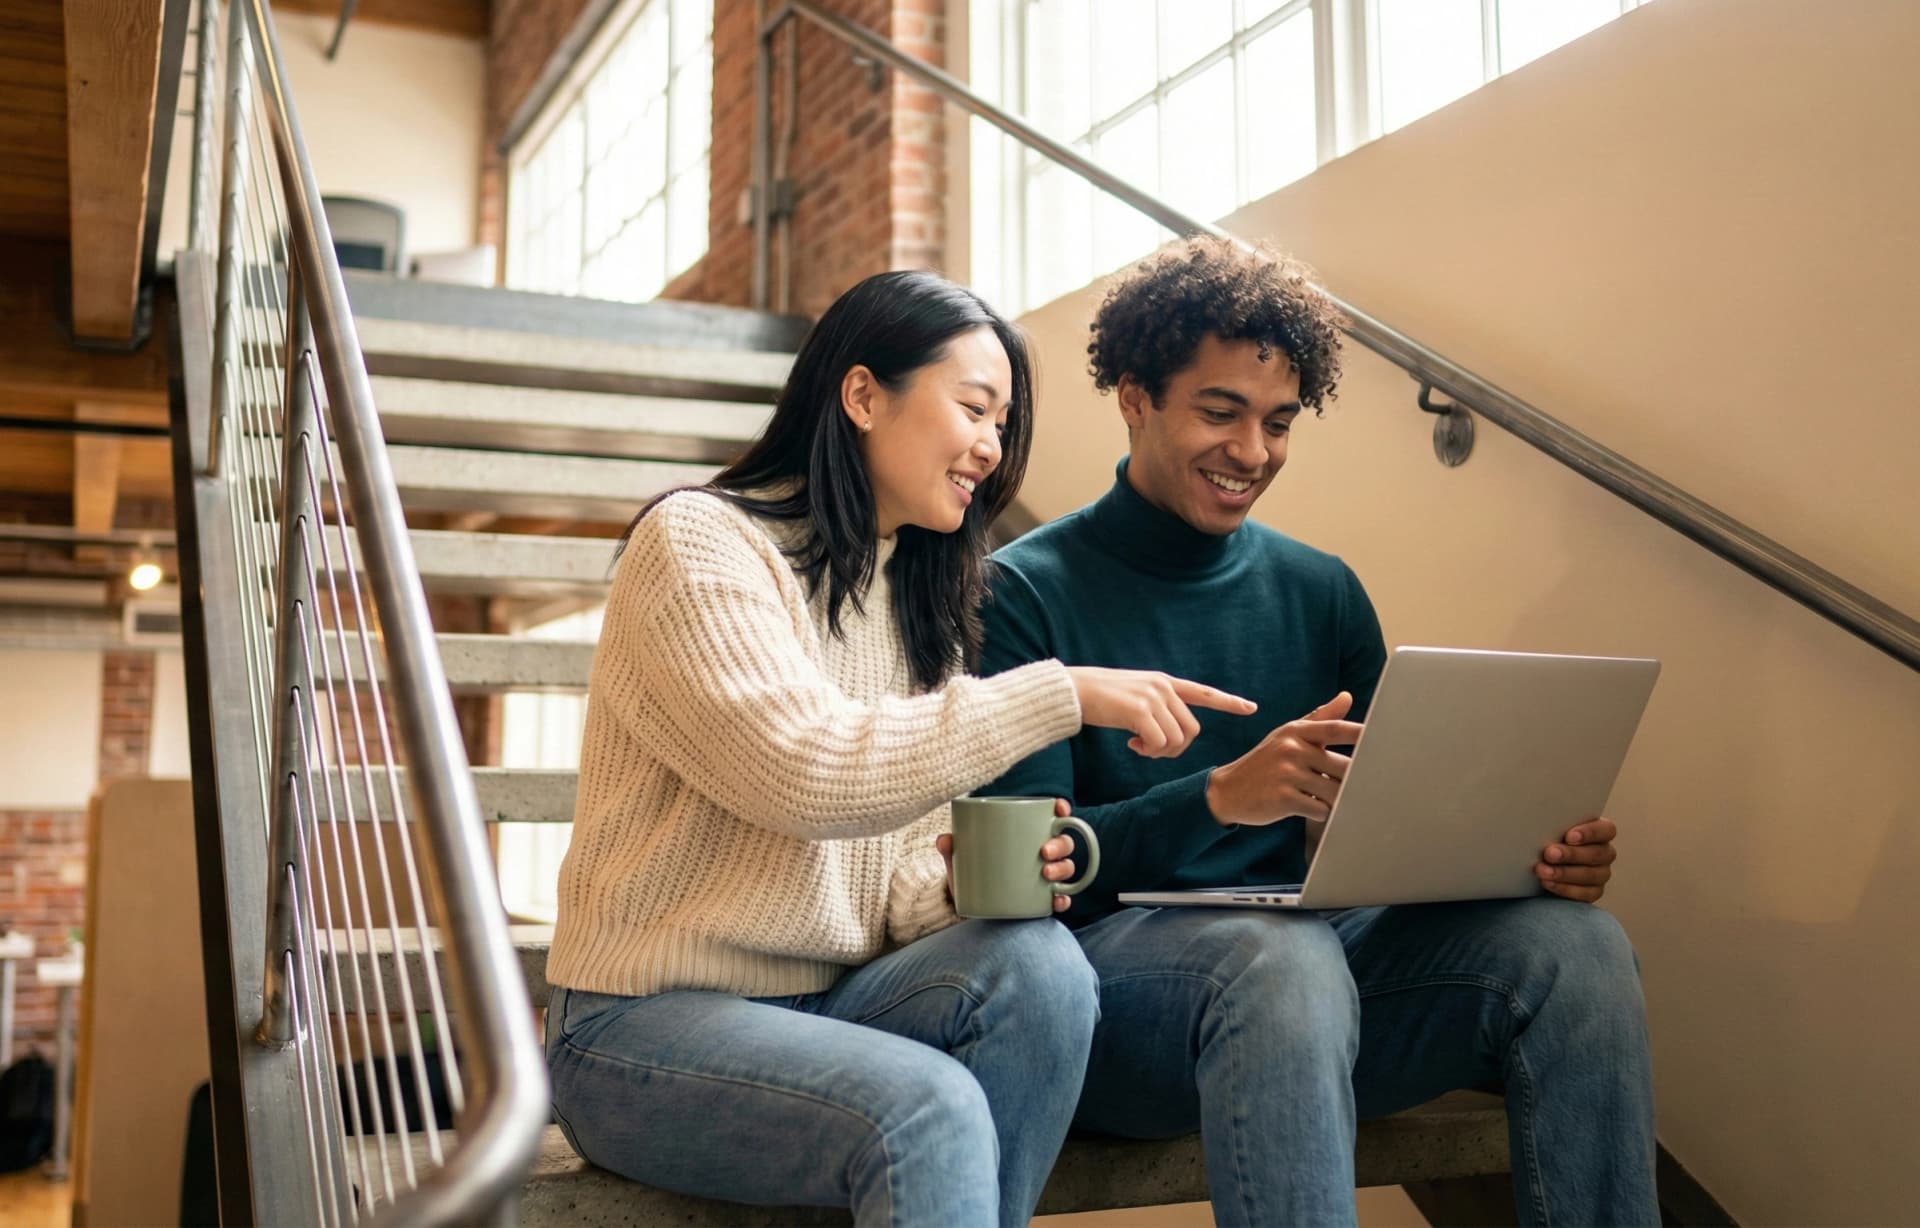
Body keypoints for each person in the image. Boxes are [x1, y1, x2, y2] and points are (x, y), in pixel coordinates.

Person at [542, 269, 1256, 1228]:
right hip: (638, 1027)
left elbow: (887, 880)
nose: (991, 449)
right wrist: (1060, 691)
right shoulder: (701, 544)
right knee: (929, 1105)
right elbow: (802, 769)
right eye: (973, 408)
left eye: (1004, 424)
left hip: (832, 1005)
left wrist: (959, 884)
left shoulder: (918, 606)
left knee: (1042, 967)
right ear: (864, 394)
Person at [981, 237, 1658, 1227]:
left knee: (1577, 947)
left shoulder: (1322, 590)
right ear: (1134, 396)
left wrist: (1528, 856)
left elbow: (1406, 823)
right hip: (1114, 1009)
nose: (1252, 452)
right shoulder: (1024, 594)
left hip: (1310, 977)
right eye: (1220, 411)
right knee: (1279, 958)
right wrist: (1217, 797)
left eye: (1279, 422)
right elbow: (1026, 881)